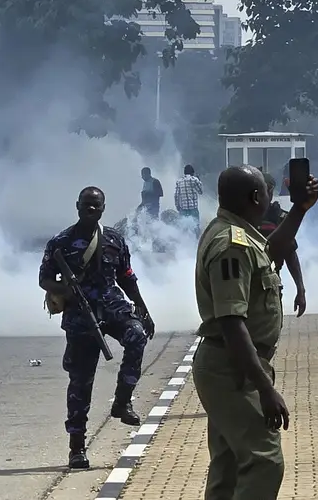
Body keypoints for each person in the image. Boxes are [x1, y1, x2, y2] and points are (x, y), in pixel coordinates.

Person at [193, 166, 318, 500]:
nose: (269, 196)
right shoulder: (230, 244)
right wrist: (264, 389)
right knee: (264, 459)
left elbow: (270, 254)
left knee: (230, 464)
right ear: (255, 197)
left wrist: (299, 210)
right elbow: (231, 323)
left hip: (231, 365)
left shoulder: (237, 234)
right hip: (232, 368)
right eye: (265, 190)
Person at [39, 187, 155, 470]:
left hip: (112, 305)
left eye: (96, 206)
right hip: (80, 314)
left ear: (104, 208)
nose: (91, 210)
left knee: (137, 335)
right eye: (86, 205)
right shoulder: (61, 242)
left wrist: (142, 307)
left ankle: (122, 401)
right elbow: (44, 279)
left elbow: (126, 276)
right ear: (77, 206)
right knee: (81, 381)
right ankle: (77, 448)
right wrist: (65, 288)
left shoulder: (114, 239)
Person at [257, 172, 307, 318]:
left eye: (266, 190)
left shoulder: (280, 218)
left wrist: (301, 289)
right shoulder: (242, 218)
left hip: (270, 285)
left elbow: (290, 255)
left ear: (271, 192)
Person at [174, 165, 205, 236]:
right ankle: (196, 243)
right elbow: (200, 192)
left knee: (183, 228)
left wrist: (177, 206)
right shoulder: (194, 180)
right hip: (193, 208)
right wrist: (199, 181)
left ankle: (185, 243)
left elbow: (176, 195)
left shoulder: (179, 181)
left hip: (183, 209)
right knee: (195, 227)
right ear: (192, 172)